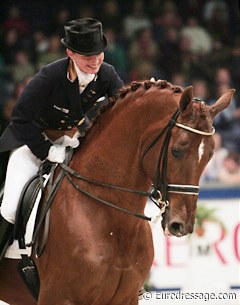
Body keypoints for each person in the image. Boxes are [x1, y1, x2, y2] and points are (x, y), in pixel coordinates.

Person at [0, 18, 123, 260]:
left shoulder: (106, 73)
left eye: (98, 54)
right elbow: (20, 119)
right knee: (12, 206)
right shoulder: (49, 77)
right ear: (70, 53)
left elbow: (123, 103)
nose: (95, 61)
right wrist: (45, 149)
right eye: (88, 55)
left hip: (70, 141)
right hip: (30, 142)